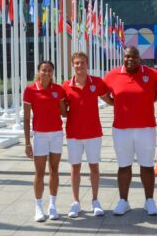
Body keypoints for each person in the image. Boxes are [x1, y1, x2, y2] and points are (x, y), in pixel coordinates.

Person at [103, 46, 157, 216]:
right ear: (123, 57)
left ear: (139, 58)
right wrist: (115, 103)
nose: (130, 59)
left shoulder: (151, 74)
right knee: (124, 166)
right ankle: (123, 201)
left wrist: (146, 101)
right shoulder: (112, 75)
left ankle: (149, 200)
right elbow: (104, 93)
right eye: (128, 56)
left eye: (134, 57)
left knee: (147, 166)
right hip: (121, 129)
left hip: (146, 128)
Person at [62, 52, 109, 218]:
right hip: (74, 133)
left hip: (93, 133)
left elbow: (110, 99)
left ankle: (95, 201)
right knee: (75, 168)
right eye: (76, 63)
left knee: (94, 167)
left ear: (87, 64)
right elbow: (63, 110)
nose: (79, 66)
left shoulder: (96, 82)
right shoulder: (66, 85)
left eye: (82, 63)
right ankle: (76, 202)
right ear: (72, 65)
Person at [23, 61, 67, 222]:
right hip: (40, 135)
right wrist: (27, 143)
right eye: (43, 70)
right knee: (39, 173)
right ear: (38, 72)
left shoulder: (58, 90)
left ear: (53, 73)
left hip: (56, 134)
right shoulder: (30, 90)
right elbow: (26, 119)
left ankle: (53, 206)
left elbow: (64, 112)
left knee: (54, 170)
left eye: (49, 70)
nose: (46, 73)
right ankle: (38, 207)